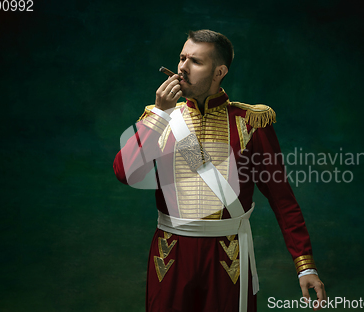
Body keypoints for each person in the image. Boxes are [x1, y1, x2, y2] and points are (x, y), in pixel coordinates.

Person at [113, 29, 326, 312]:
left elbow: (282, 199)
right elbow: (124, 173)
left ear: (219, 71)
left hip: (229, 258)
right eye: (181, 58)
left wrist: (304, 265)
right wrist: (159, 115)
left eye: (195, 62)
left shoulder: (250, 122)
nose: (182, 68)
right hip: (170, 256)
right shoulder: (160, 118)